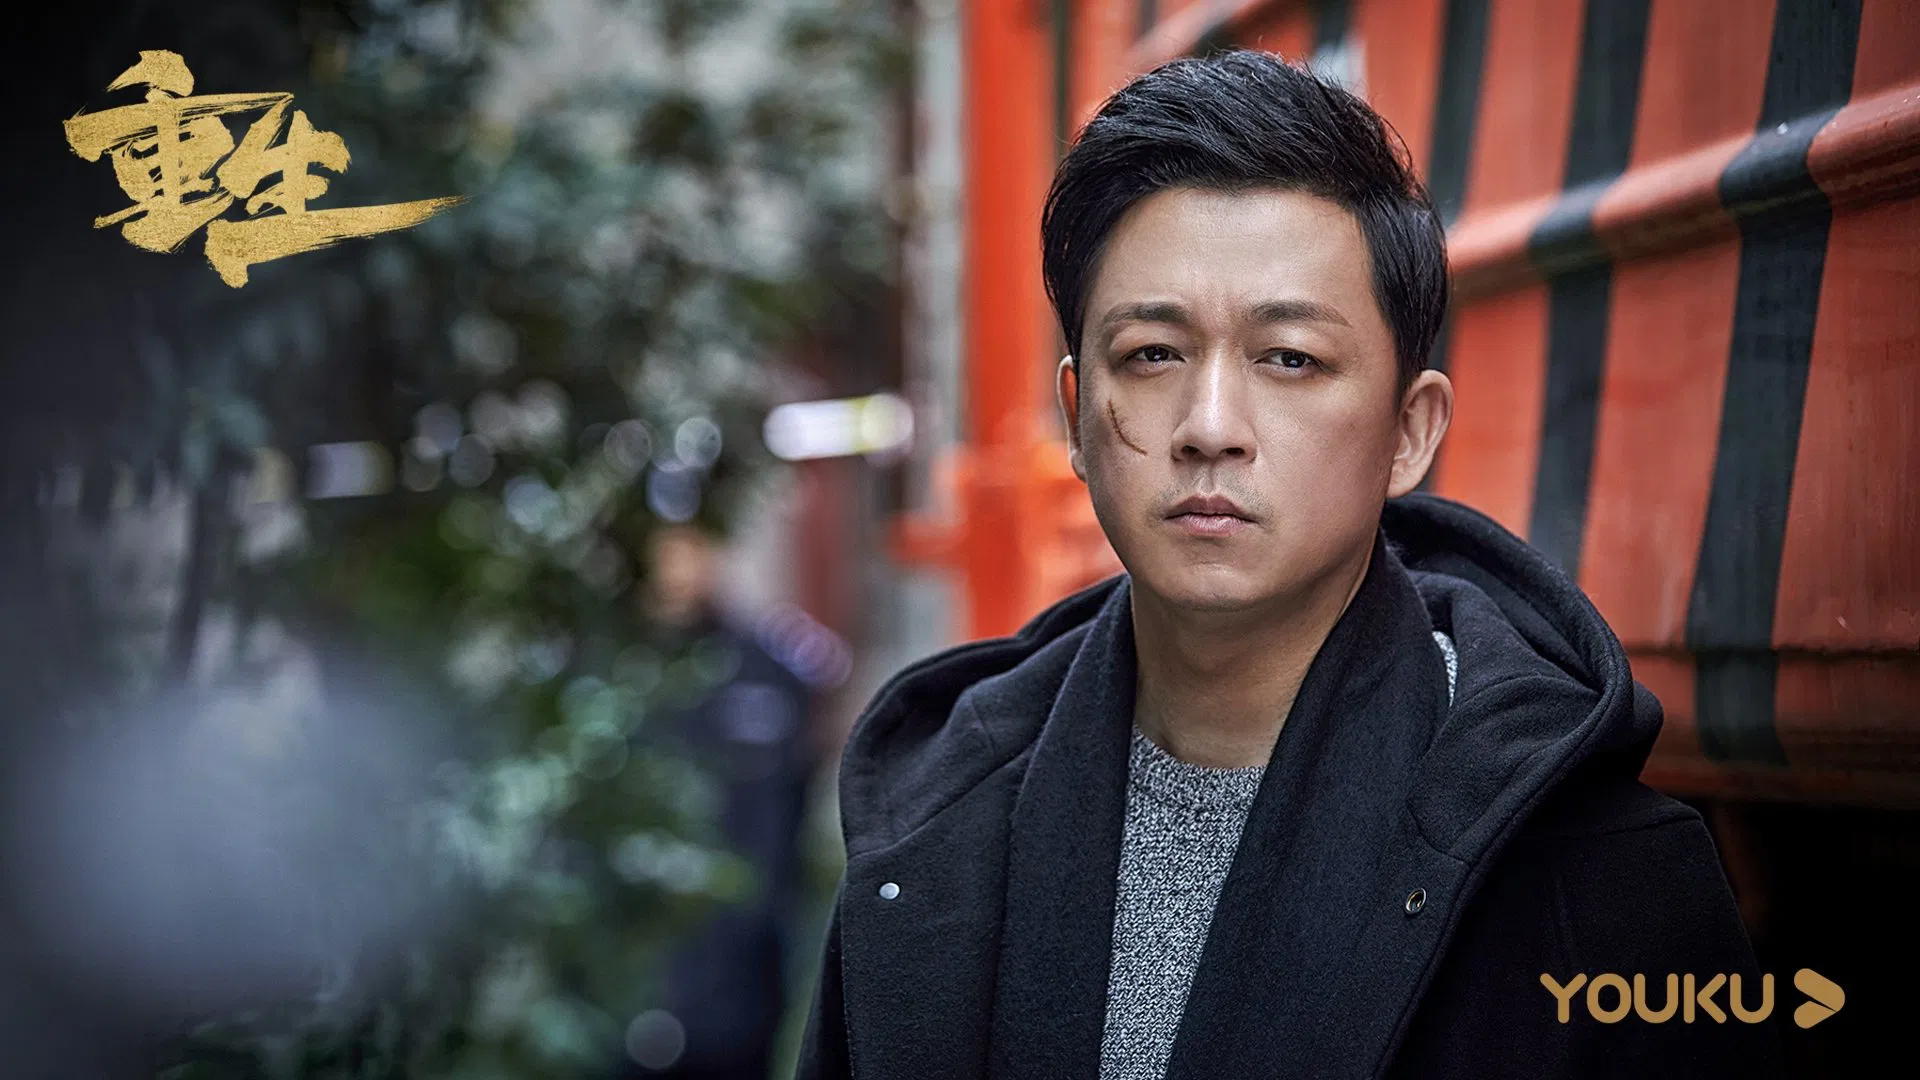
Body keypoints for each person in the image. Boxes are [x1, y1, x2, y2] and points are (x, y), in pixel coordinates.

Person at [795, 50, 1785, 1080]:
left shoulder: (1587, 865)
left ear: (1411, 430)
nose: (1209, 426)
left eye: (1290, 359)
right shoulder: (933, 831)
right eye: (1152, 354)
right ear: (1077, 415)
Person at [624, 521, 820, 1080]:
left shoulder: (766, 668)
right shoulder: (617, 673)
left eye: (692, 546)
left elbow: (787, 815)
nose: (679, 567)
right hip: (633, 978)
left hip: (741, 976)